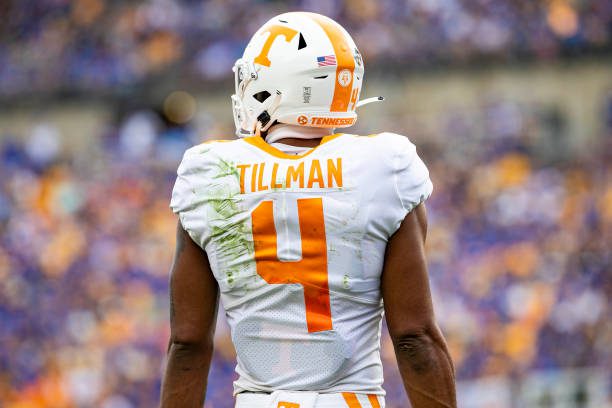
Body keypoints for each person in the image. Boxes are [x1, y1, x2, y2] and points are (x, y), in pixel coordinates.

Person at [160, 11, 456, 408]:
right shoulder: (386, 168)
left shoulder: (210, 173)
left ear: (279, 86)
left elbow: (188, 341)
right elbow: (414, 336)